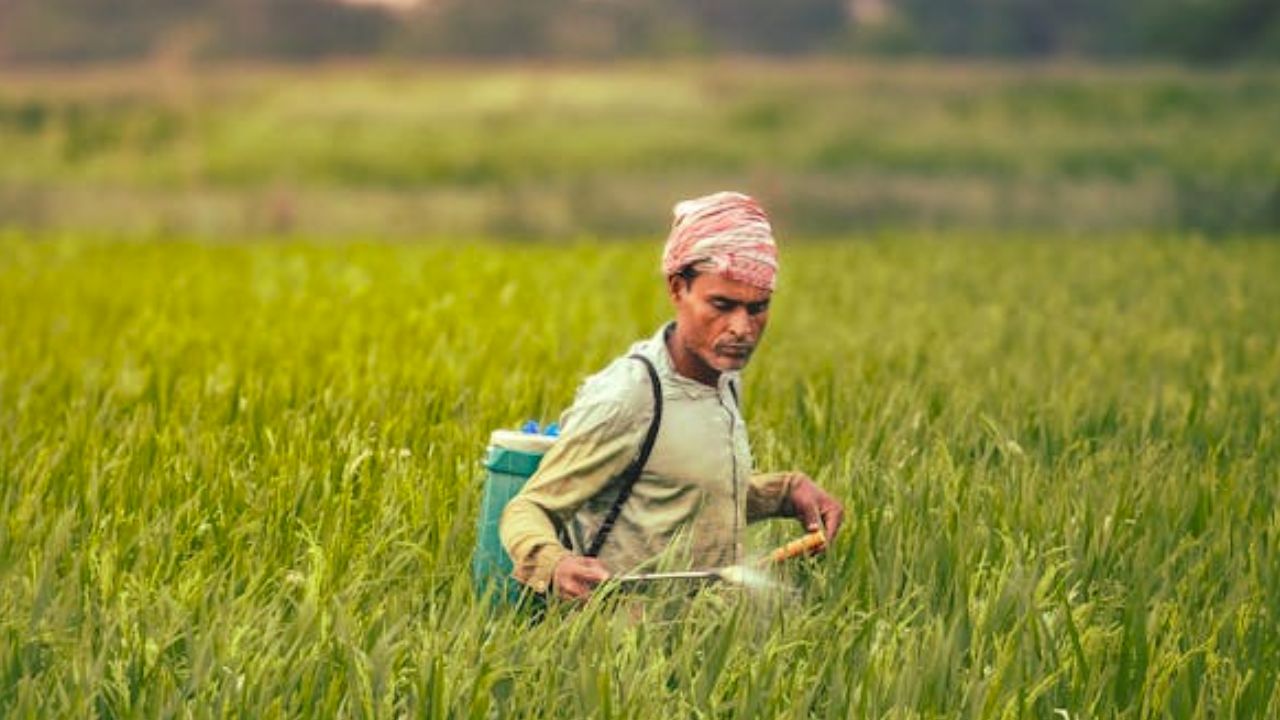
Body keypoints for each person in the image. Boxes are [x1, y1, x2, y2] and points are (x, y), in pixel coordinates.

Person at [499, 191, 844, 601]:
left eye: (757, 308)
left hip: (703, 631)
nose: (741, 328)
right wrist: (554, 563)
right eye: (722, 304)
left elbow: (682, 492)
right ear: (678, 288)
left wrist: (785, 492)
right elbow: (529, 508)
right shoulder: (630, 397)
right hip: (622, 635)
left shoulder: (723, 379)